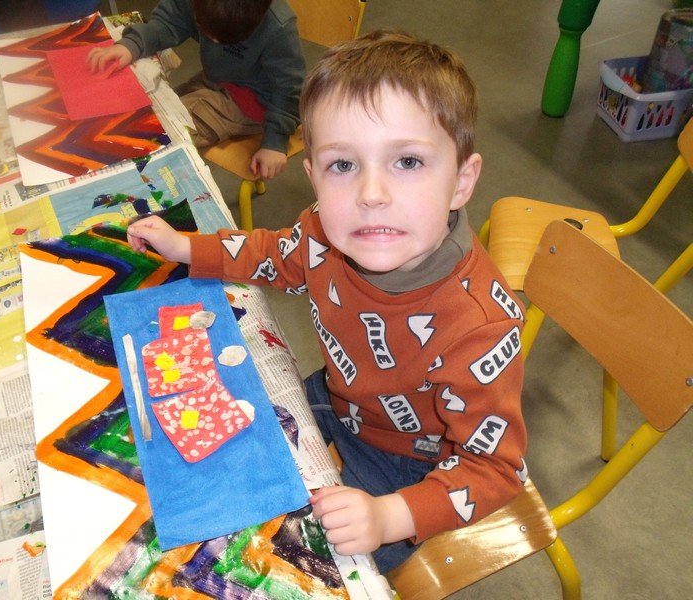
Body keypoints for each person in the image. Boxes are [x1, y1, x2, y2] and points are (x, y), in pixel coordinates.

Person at [125, 29, 528, 573]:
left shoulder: (480, 327)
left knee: (306, 567)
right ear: (314, 176)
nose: (371, 195)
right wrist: (188, 248)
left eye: (408, 162)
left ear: (461, 180)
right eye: (343, 165)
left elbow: (496, 469)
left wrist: (389, 516)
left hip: (409, 465)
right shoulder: (325, 231)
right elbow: (275, 254)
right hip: (339, 400)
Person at [87, 0, 305, 181]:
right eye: (206, 31)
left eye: (226, 39)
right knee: (150, 115)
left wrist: (276, 142)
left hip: (255, 102)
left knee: (162, 136)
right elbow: (169, 21)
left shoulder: (278, 27)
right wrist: (131, 45)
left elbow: (289, 88)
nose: (214, 41)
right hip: (217, 79)